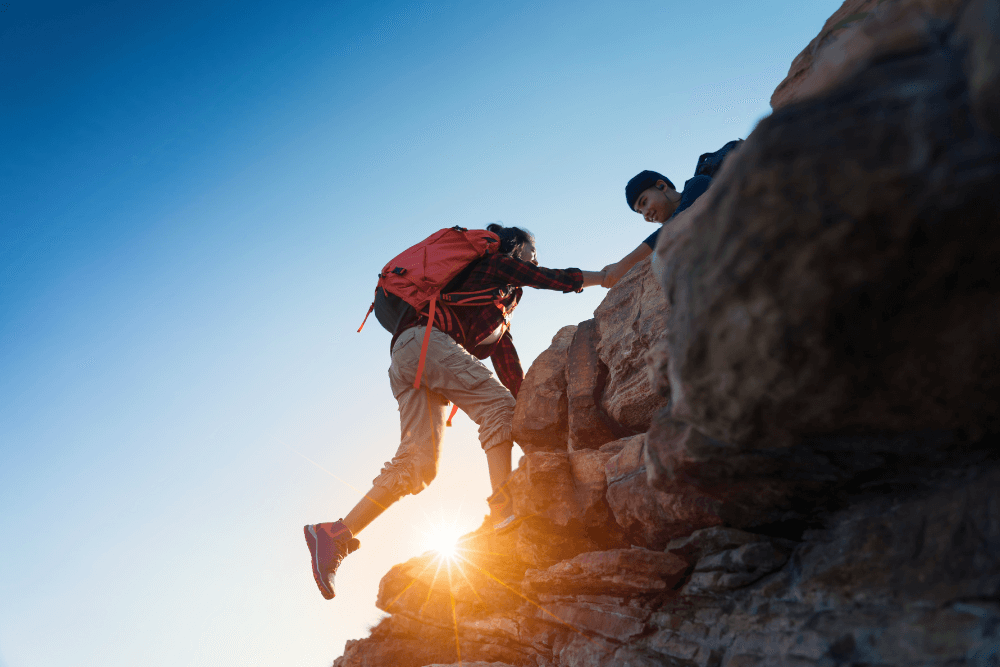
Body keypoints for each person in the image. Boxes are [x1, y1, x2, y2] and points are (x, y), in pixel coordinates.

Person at [304, 224, 606, 600]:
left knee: (418, 465)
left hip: (408, 354)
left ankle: (334, 534)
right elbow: (549, 278)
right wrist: (605, 276)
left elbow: (511, 371)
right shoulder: (497, 266)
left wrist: (533, 417)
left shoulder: (496, 313)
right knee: (497, 408)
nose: (535, 258)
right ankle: (504, 514)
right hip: (425, 342)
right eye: (531, 251)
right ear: (515, 249)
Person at [602, 139, 743, 287]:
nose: (645, 215)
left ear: (661, 186)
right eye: (640, 212)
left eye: (644, 202)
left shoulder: (698, 184)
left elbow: (677, 224)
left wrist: (624, 264)